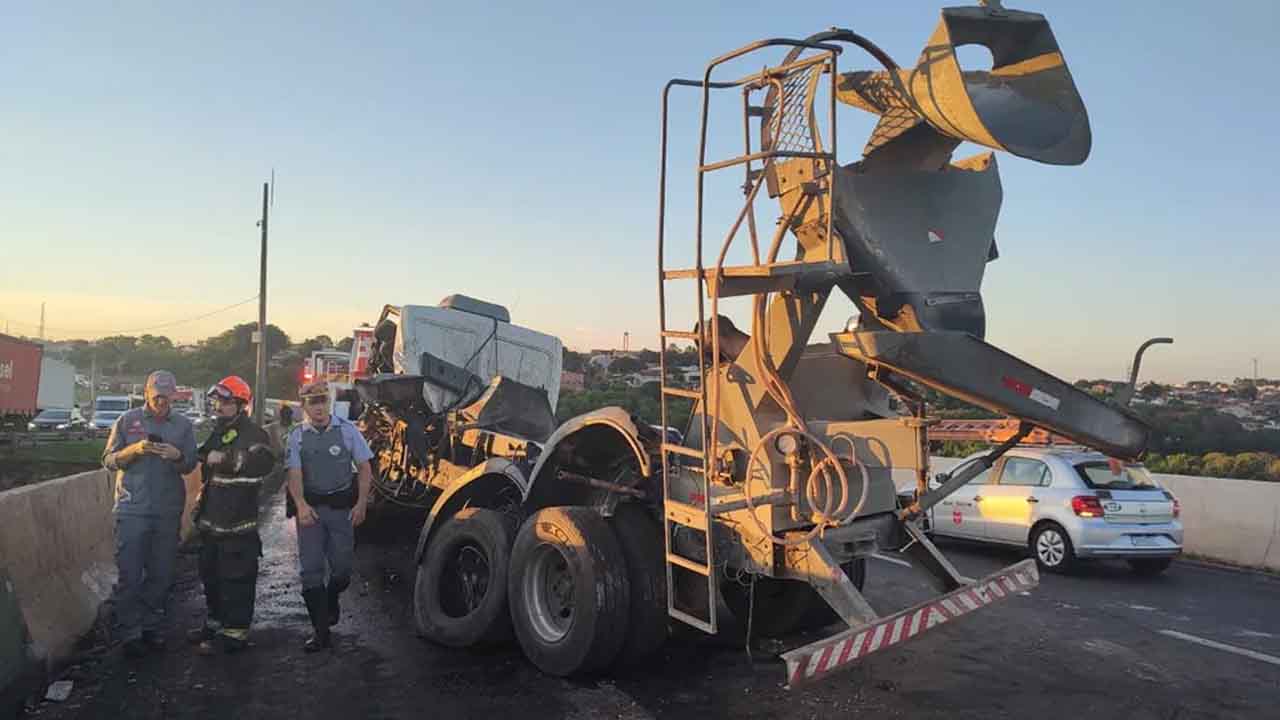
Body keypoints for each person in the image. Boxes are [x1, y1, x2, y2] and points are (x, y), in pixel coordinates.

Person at [101, 370, 197, 658]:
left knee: (161, 573)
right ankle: (130, 632)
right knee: (130, 574)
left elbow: (191, 463)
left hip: (167, 511)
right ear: (146, 393)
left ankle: (151, 626)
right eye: (156, 394)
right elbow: (108, 460)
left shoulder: (183, 426)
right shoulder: (127, 421)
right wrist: (135, 449)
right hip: (132, 509)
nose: (161, 400)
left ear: (174, 395)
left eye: (167, 395)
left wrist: (177, 456)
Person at [188, 376, 276, 655]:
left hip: (238, 523)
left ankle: (235, 634)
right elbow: (203, 458)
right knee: (210, 575)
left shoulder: (254, 433)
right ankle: (215, 623)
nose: (218, 406)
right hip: (212, 521)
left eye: (225, 401)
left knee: (236, 579)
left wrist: (225, 459)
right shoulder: (219, 430)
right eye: (217, 400)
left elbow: (263, 463)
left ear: (240, 404)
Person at [284, 380, 373, 652]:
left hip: (340, 511)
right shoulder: (297, 436)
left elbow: (364, 467)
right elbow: (294, 474)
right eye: (313, 402)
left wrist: (361, 504)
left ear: (329, 402)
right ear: (304, 406)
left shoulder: (348, 432)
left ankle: (332, 596)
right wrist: (300, 504)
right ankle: (320, 632)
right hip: (311, 512)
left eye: (323, 400)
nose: (319, 406)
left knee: (342, 570)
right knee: (310, 571)